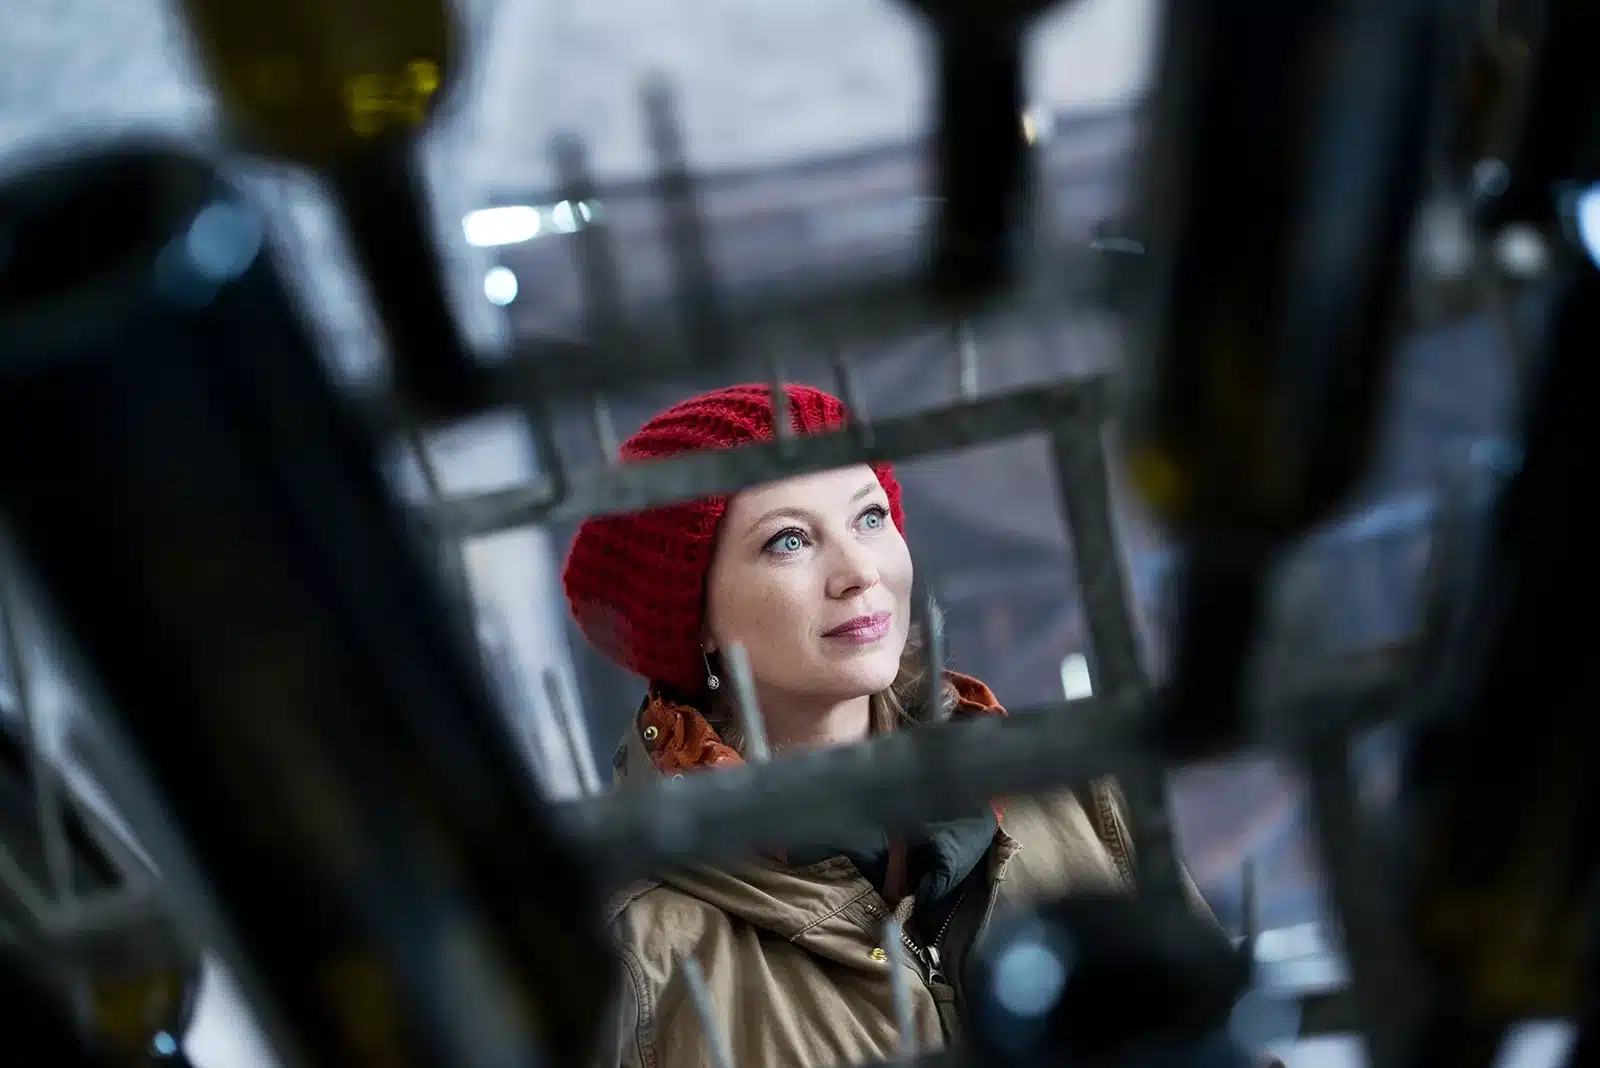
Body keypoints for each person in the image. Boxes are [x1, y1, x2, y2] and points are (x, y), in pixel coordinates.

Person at [563, 383, 1213, 1068]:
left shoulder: (1074, 796)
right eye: (789, 540)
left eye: (869, 518)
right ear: (694, 618)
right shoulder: (642, 956)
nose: (859, 572)